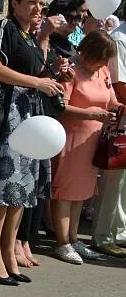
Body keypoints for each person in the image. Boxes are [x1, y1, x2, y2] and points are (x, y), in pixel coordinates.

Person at [0, 0, 64, 285]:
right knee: (3, 187)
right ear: (16, 3)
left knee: (20, 190)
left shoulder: (30, 35)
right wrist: (37, 83)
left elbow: (33, 71)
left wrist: (51, 75)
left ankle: (9, 253)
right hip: (9, 116)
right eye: (32, 2)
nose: (39, 8)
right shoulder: (5, 28)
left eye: (41, 3)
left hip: (29, 118)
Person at [51, 31, 118, 264]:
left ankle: (74, 237)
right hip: (72, 138)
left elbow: (111, 101)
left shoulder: (103, 71)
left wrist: (119, 109)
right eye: (99, 58)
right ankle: (62, 242)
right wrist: (92, 113)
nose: (101, 63)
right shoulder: (71, 70)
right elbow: (61, 107)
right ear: (87, 51)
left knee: (82, 192)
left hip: (94, 140)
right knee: (65, 191)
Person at [93, 18, 126, 257]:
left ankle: (119, 232)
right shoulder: (120, 39)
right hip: (120, 120)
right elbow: (119, 84)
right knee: (113, 181)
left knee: (122, 183)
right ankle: (103, 235)